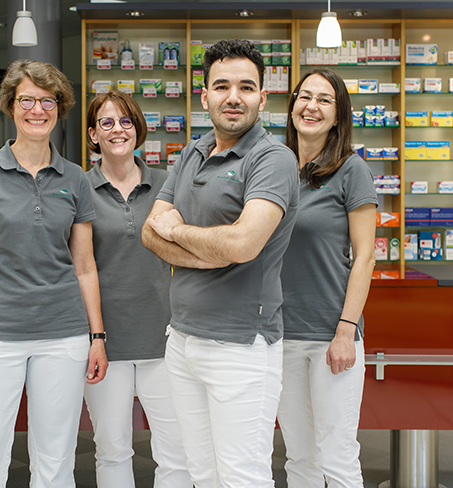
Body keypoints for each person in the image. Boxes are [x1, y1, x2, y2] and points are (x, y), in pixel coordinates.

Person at [142, 38, 299, 487]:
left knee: (242, 477)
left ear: (263, 97)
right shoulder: (192, 152)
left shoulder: (273, 158)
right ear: (205, 93)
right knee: (202, 473)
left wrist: (179, 232)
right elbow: (148, 232)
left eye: (246, 87)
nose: (234, 97)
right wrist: (210, 252)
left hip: (241, 344)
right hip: (183, 337)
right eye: (222, 86)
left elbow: (244, 244)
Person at [0, 59, 108, 488]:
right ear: (11, 106)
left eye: (48, 101)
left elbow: (85, 265)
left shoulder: (75, 179)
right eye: (27, 101)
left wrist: (97, 337)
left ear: (60, 107)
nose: (38, 110)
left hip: (64, 334)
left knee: (56, 463)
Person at [83, 91, 190, 488]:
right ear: (93, 134)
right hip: (105, 342)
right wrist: (95, 336)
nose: (117, 130)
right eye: (106, 123)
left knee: (176, 452)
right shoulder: (79, 187)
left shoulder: (167, 183)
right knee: (112, 450)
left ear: (138, 129)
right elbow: (78, 265)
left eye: (126, 121)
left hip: (164, 338)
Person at [277, 68, 377, 488]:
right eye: (305, 96)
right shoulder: (273, 167)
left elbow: (366, 256)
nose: (311, 106)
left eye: (324, 100)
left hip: (329, 333)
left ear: (338, 116)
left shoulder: (351, 170)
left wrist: (345, 330)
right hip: (279, 334)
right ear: (293, 105)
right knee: (298, 455)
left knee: (335, 453)